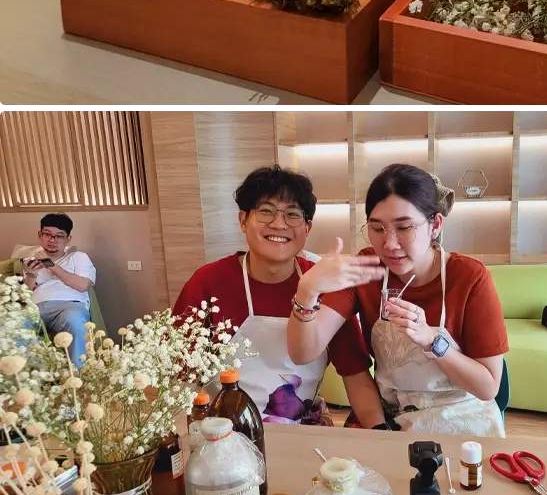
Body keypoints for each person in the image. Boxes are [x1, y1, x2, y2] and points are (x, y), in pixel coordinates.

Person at [286, 163, 510, 436]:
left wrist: (430, 339)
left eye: (404, 228)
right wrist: (307, 291)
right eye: (377, 229)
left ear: (435, 225)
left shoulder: (469, 277)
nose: (390, 244)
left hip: (464, 417)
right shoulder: (365, 269)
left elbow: (488, 386)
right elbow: (302, 353)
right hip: (392, 418)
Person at [173, 165, 384, 428]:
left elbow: (355, 374)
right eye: (266, 211)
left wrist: (381, 433)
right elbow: (180, 375)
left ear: (307, 228)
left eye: (292, 214)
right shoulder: (208, 282)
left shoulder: (324, 283)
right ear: (242, 220)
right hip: (224, 431)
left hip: (302, 430)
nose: (279, 223)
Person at [20, 213, 96, 368]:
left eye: (59, 236)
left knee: (75, 321)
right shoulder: (30, 261)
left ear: (68, 239)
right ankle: (41, 373)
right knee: (13, 325)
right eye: (47, 234)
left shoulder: (78, 257)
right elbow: (25, 295)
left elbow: (82, 285)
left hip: (70, 305)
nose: (52, 240)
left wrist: (50, 265)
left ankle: (79, 376)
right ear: (40, 235)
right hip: (36, 306)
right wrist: (31, 275)